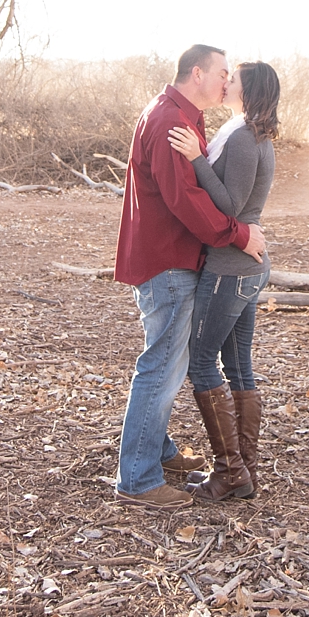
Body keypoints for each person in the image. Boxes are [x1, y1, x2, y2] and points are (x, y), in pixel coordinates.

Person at [112, 44, 266, 508]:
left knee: (168, 364)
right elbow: (186, 200)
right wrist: (238, 234)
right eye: (222, 72)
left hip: (172, 257)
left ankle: (156, 452)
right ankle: (137, 480)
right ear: (197, 73)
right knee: (160, 367)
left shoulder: (182, 116)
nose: (226, 80)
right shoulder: (170, 122)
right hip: (168, 261)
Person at [166, 59, 278, 501]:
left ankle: (231, 471)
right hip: (243, 266)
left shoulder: (247, 139)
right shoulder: (241, 131)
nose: (226, 81)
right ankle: (242, 471)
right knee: (237, 366)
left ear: (248, 91)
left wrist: (195, 159)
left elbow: (230, 206)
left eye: (234, 79)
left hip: (232, 269)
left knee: (201, 362)